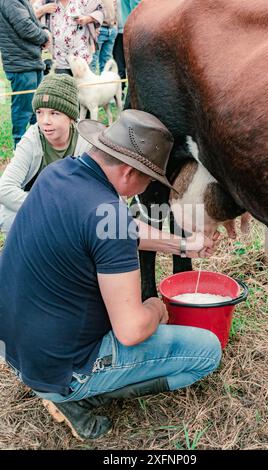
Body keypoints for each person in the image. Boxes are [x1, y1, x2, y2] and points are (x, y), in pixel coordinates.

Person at [0, 109, 221, 440]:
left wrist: (185, 245)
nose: (147, 189)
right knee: (207, 351)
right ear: (130, 172)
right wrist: (156, 308)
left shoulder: (57, 175)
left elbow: (113, 225)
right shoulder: (112, 217)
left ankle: (59, 386)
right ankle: (78, 398)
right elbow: (131, 330)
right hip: (62, 367)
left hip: (16, 349)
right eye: (150, 180)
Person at [0, 73, 91, 234]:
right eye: (40, 112)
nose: (44, 121)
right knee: (5, 216)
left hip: (73, 209)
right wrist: (50, 208)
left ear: (71, 117)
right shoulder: (32, 140)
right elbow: (5, 188)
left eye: (54, 113)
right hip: (39, 206)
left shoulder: (87, 144)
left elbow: (105, 190)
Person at [0, 0, 51, 147]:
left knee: (38, 109)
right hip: (21, 65)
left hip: (31, 61)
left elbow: (32, 19)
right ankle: (19, 150)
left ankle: (39, 147)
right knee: (23, 111)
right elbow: (25, 27)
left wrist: (44, 29)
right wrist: (45, 37)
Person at [33, 0, 105, 75]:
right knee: (63, 86)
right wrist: (43, 10)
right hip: (59, 59)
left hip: (81, 59)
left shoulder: (84, 1)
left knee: (81, 86)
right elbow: (28, 17)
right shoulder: (45, 2)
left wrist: (88, 18)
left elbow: (101, 11)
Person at [90, 0, 118, 74]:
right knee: (93, 61)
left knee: (106, 62)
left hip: (111, 29)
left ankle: (105, 84)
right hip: (99, 29)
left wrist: (115, 24)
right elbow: (90, 8)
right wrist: (95, 26)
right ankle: (91, 85)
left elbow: (114, 6)